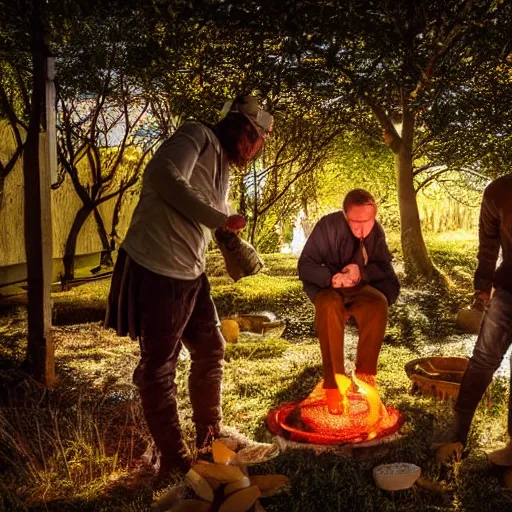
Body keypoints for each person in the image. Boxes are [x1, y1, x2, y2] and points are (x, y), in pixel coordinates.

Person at [104, 95, 274, 476]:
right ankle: (174, 460)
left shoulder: (223, 167)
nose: (255, 150)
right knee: (158, 368)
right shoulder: (194, 135)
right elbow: (163, 176)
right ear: (241, 129)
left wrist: (230, 239)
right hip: (159, 264)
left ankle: (210, 437)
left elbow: (211, 216)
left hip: (190, 271)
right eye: (256, 139)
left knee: (210, 346)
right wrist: (219, 218)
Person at [298, 189, 400, 414]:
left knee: (377, 303)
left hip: (359, 288)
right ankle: (334, 386)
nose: (362, 228)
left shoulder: (376, 231)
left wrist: (360, 272)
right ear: (345, 216)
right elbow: (305, 265)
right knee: (328, 307)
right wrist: (331, 278)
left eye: (368, 221)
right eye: (355, 222)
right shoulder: (327, 226)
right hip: (329, 289)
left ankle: (365, 377)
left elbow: (384, 268)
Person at [434, 174, 512, 465]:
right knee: (483, 360)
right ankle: (456, 435)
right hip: (508, 290)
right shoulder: (499, 191)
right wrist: (482, 285)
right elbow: (488, 244)